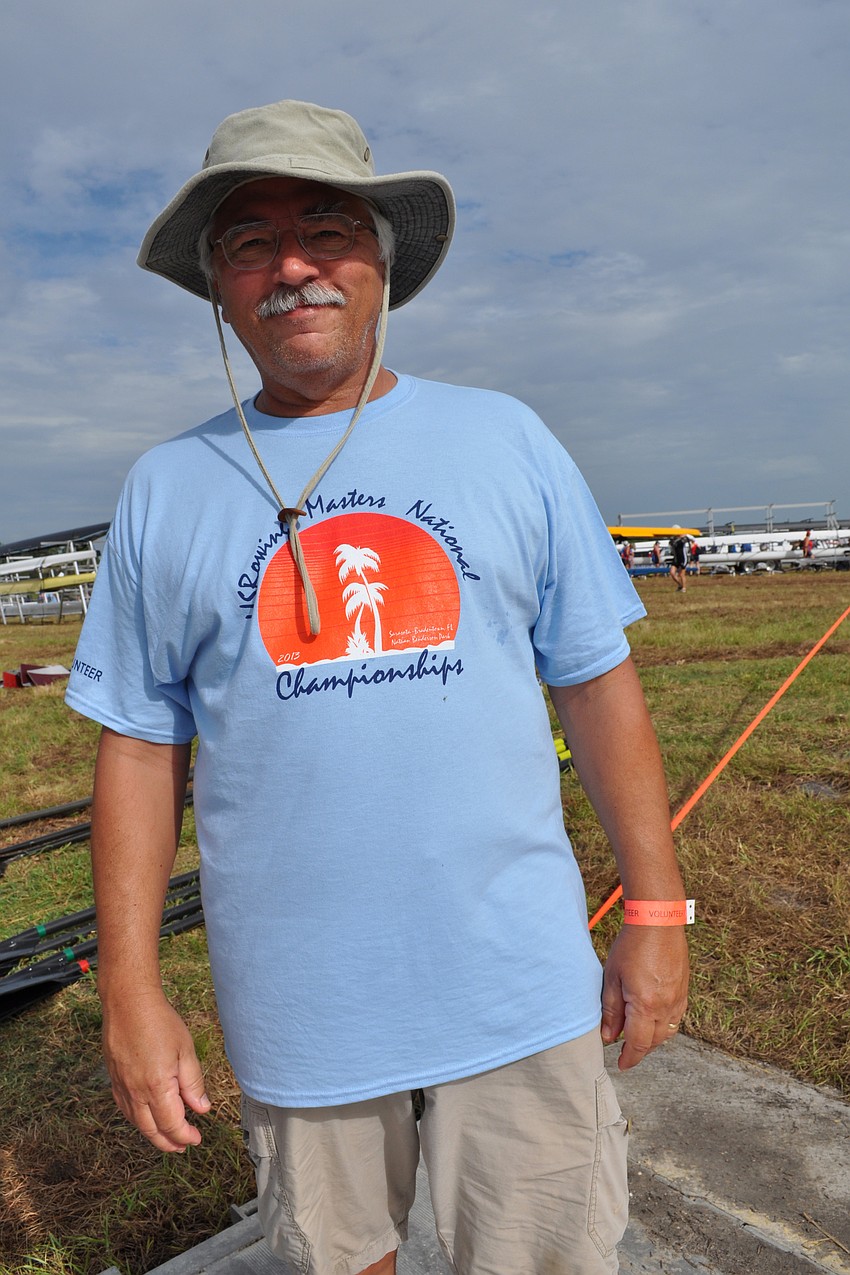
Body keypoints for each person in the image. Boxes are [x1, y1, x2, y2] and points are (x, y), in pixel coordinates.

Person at [66, 100, 689, 1275]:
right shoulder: (167, 488)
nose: (291, 264)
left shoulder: (504, 439)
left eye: (324, 226)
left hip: (515, 979)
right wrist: (131, 995)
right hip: (303, 1003)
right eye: (249, 241)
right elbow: (139, 749)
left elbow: (598, 683)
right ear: (217, 285)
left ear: (382, 260)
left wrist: (655, 912)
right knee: (340, 1255)